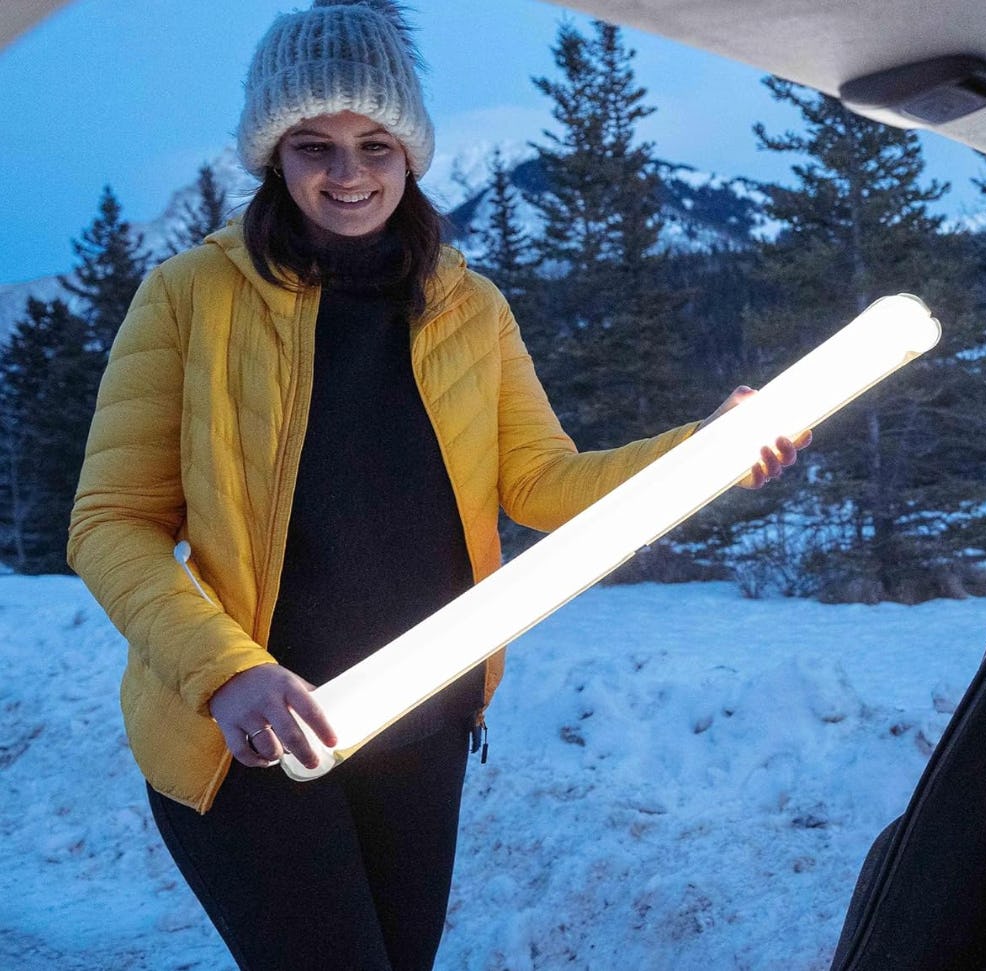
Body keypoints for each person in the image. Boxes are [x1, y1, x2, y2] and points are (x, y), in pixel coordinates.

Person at [67, 2, 807, 968]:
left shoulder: (469, 306)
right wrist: (225, 672)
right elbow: (110, 521)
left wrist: (703, 448)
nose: (348, 172)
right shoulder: (189, 297)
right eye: (314, 145)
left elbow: (541, 481)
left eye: (374, 144)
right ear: (273, 156)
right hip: (249, 734)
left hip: (418, 721)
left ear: (409, 152)